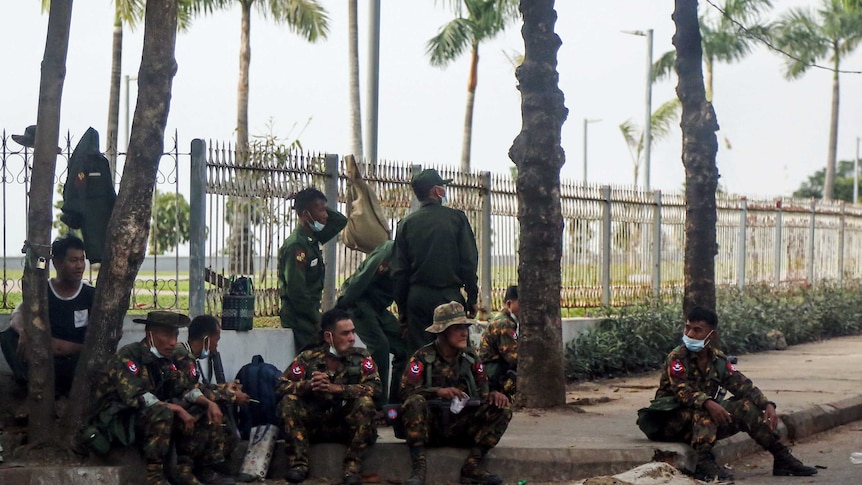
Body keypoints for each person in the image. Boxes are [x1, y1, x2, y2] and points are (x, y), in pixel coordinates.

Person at [637, 306, 818, 482]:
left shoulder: (718, 360)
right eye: (687, 328)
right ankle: (704, 463)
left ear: (711, 335)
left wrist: (767, 404)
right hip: (669, 422)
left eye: (697, 330)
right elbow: (682, 392)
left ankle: (781, 457)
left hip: (699, 424)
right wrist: (708, 402)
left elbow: (742, 384)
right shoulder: (677, 358)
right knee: (705, 408)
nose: (690, 334)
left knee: (745, 407)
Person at [92, 311, 234, 485]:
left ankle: (186, 470)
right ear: (149, 333)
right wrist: (177, 409)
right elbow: (136, 397)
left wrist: (209, 403)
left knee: (200, 410)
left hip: (149, 414)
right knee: (164, 412)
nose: (173, 342)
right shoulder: (129, 355)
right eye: (166, 335)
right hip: (122, 417)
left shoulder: (167, 360)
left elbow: (184, 389)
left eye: (175, 335)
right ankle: (154, 477)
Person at [400, 301, 511, 485]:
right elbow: (406, 393)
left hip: (461, 425)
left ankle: (472, 466)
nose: (464, 333)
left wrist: (493, 395)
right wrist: (438, 392)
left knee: (503, 408)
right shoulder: (422, 357)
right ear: (442, 332)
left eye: (465, 327)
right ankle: (419, 468)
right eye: (457, 328)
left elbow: (483, 393)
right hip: (430, 427)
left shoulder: (470, 357)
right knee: (414, 402)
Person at [276, 308, 381, 485]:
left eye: (353, 332)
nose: (352, 338)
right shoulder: (308, 358)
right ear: (328, 337)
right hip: (315, 424)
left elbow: (375, 388)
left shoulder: (361, 357)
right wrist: (308, 385)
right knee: (289, 402)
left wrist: (338, 388)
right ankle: (299, 466)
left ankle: (352, 469)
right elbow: (281, 386)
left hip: (345, 423)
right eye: (345, 333)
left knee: (366, 403)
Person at [392, 169, 479, 356]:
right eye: (443, 187)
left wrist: (403, 310)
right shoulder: (456, 219)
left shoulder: (406, 223)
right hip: (450, 298)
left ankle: (422, 386)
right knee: (456, 353)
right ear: (436, 191)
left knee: (420, 355)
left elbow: (400, 271)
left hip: (418, 298)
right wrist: (472, 298)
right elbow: (469, 262)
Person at [0, 235, 94, 396]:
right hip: (43, 358)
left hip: (72, 362)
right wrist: (25, 332)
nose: (79, 266)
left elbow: (93, 342)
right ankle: (29, 388)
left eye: (82, 260)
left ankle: (61, 394)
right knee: (8, 336)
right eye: (73, 260)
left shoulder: (90, 295)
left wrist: (57, 345)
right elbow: (19, 312)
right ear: (57, 262)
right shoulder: (43, 290)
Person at [174, 314, 250, 473]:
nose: (216, 345)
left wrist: (225, 389)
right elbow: (192, 390)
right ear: (207, 339)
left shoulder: (188, 356)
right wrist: (232, 396)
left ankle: (220, 463)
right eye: (217, 339)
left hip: (184, 402)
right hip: (176, 407)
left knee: (219, 404)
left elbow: (200, 387)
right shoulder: (182, 356)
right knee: (210, 410)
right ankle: (208, 466)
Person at [336, 239, 407, 406]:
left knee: (404, 347)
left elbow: (403, 288)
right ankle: (377, 402)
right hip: (360, 302)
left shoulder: (411, 257)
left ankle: (395, 402)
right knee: (380, 347)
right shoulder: (388, 252)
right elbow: (362, 279)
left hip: (380, 307)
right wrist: (342, 306)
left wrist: (405, 316)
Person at [278, 187, 347, 353]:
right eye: (320, 209)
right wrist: (317, 319)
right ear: (304, 214)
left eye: (325, 209)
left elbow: (340, 221)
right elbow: (297, 292)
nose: (325, 215)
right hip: (299, 318)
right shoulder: (297, 245)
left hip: (308, 315)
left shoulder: (312, 239)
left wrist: (313, 201)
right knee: (313, 363)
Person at [479, 285, 519, 398]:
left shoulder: (504, 320)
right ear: (509, 304)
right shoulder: (504, 324)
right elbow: (513, 357)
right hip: (493, 372)